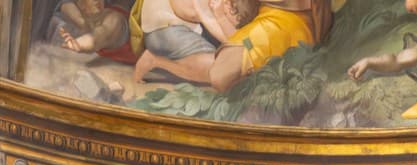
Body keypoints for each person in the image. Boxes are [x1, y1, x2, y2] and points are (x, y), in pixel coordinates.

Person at [134, 0, 331, 88]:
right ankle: (155, 61)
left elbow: (236, 35)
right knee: (218, 70)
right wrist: (219, 15)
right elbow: (197, 13)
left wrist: (240, 44)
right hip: (167, 28)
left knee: (227, 67)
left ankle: (156, 61)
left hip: (283, 23)